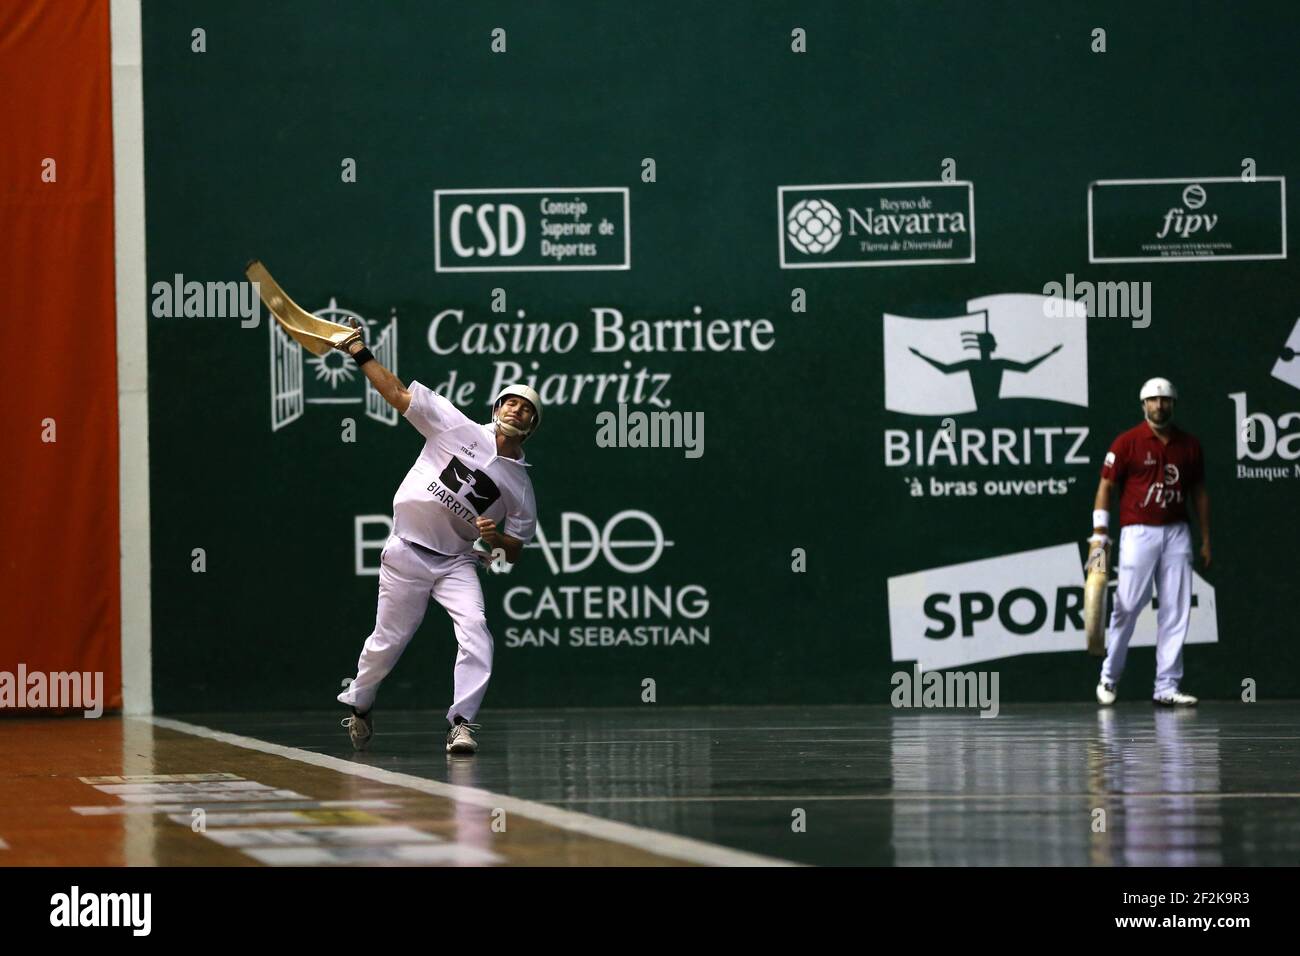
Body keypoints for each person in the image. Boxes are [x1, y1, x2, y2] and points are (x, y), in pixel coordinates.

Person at [331, 330, 539, 753]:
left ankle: (461, 723)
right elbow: (396, 392)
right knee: (387, 641)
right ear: (497, 407)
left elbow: (512, 552)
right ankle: (360, 703)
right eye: (511, 401)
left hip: (456, 564)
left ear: (531, 426)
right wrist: (358, 351)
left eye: (527, 409)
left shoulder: (520, 487)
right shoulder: (454, 425)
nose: (517, 410)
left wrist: (495, 537)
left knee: (477, 630)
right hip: (406, 551)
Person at [1091, 377, 1210, 707]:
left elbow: (1199, 492)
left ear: (1173, 404)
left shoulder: (1190, 445)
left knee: (1175, 609)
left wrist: (1205, 539)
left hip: (1177, 533)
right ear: (1143, 405)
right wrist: (1100, 533)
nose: (1160, 406)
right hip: (1138, 532)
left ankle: (1166, 687)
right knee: (1126, 606)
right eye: (1154, 400)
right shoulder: (1126, 443)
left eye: (1166, 400)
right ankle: (1109, 678)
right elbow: (1105, 486)